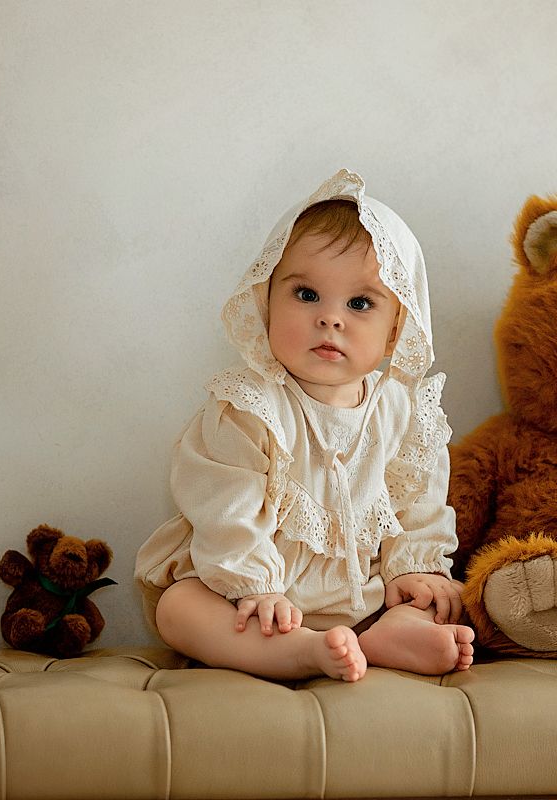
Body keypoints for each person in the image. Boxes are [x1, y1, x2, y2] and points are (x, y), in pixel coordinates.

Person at [135, 169, 472, 682]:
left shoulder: (404, 411)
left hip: (365, 595)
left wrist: (415, 569)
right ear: (266, 302)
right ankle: (296, 652)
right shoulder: (249, 407)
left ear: (395, 332)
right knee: (178, 608)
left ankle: (392, 632)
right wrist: (256, 587)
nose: (330, 319)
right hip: (256, 599)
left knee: (434, 598)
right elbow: (226, 510)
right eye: (307, 295)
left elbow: (419, 505)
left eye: (360, 303)